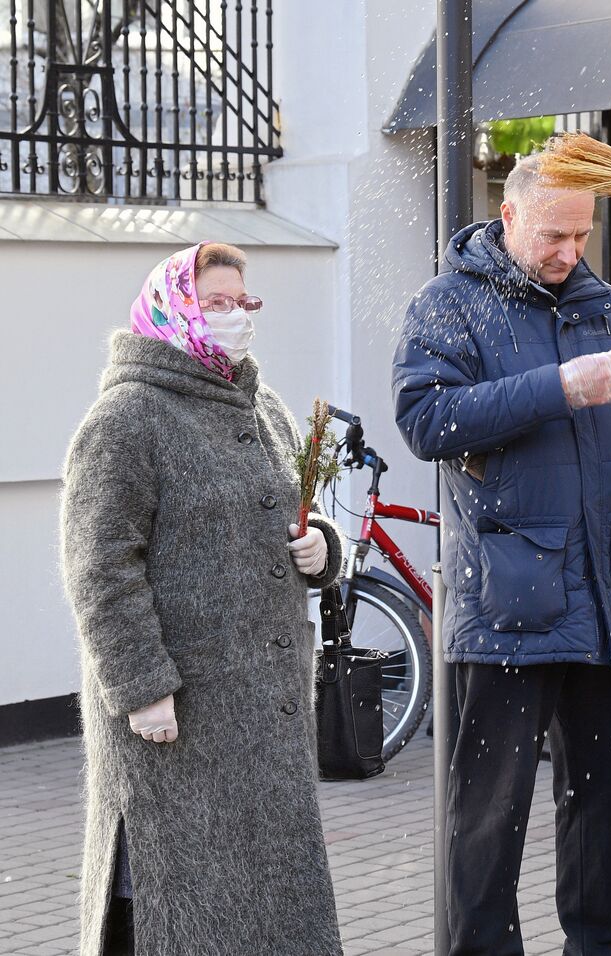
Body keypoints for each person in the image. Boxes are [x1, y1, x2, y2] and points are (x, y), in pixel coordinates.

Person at [392, 153, 611, 956]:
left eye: (581, 234)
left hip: (605, 604)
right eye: (553, 234)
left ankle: (602, 946)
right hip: (507, 603)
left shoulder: (607, 307)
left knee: (606, 801)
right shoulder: (449, 304)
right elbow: (425, 421)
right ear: (508, 219)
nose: (569, 251)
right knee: (487, 817)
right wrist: (556, 387)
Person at [60, 242, 345, 956]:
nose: (236, 318)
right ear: (175, 308)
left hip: (260, 713)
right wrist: (141, 686)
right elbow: (98, 567)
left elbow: (284, 511)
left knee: (266, 906)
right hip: (180, 718)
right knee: (177, 905)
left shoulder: (261, 405)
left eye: (243, 303)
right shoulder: (129, 417)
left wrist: (324, 550)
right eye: (215, 303)